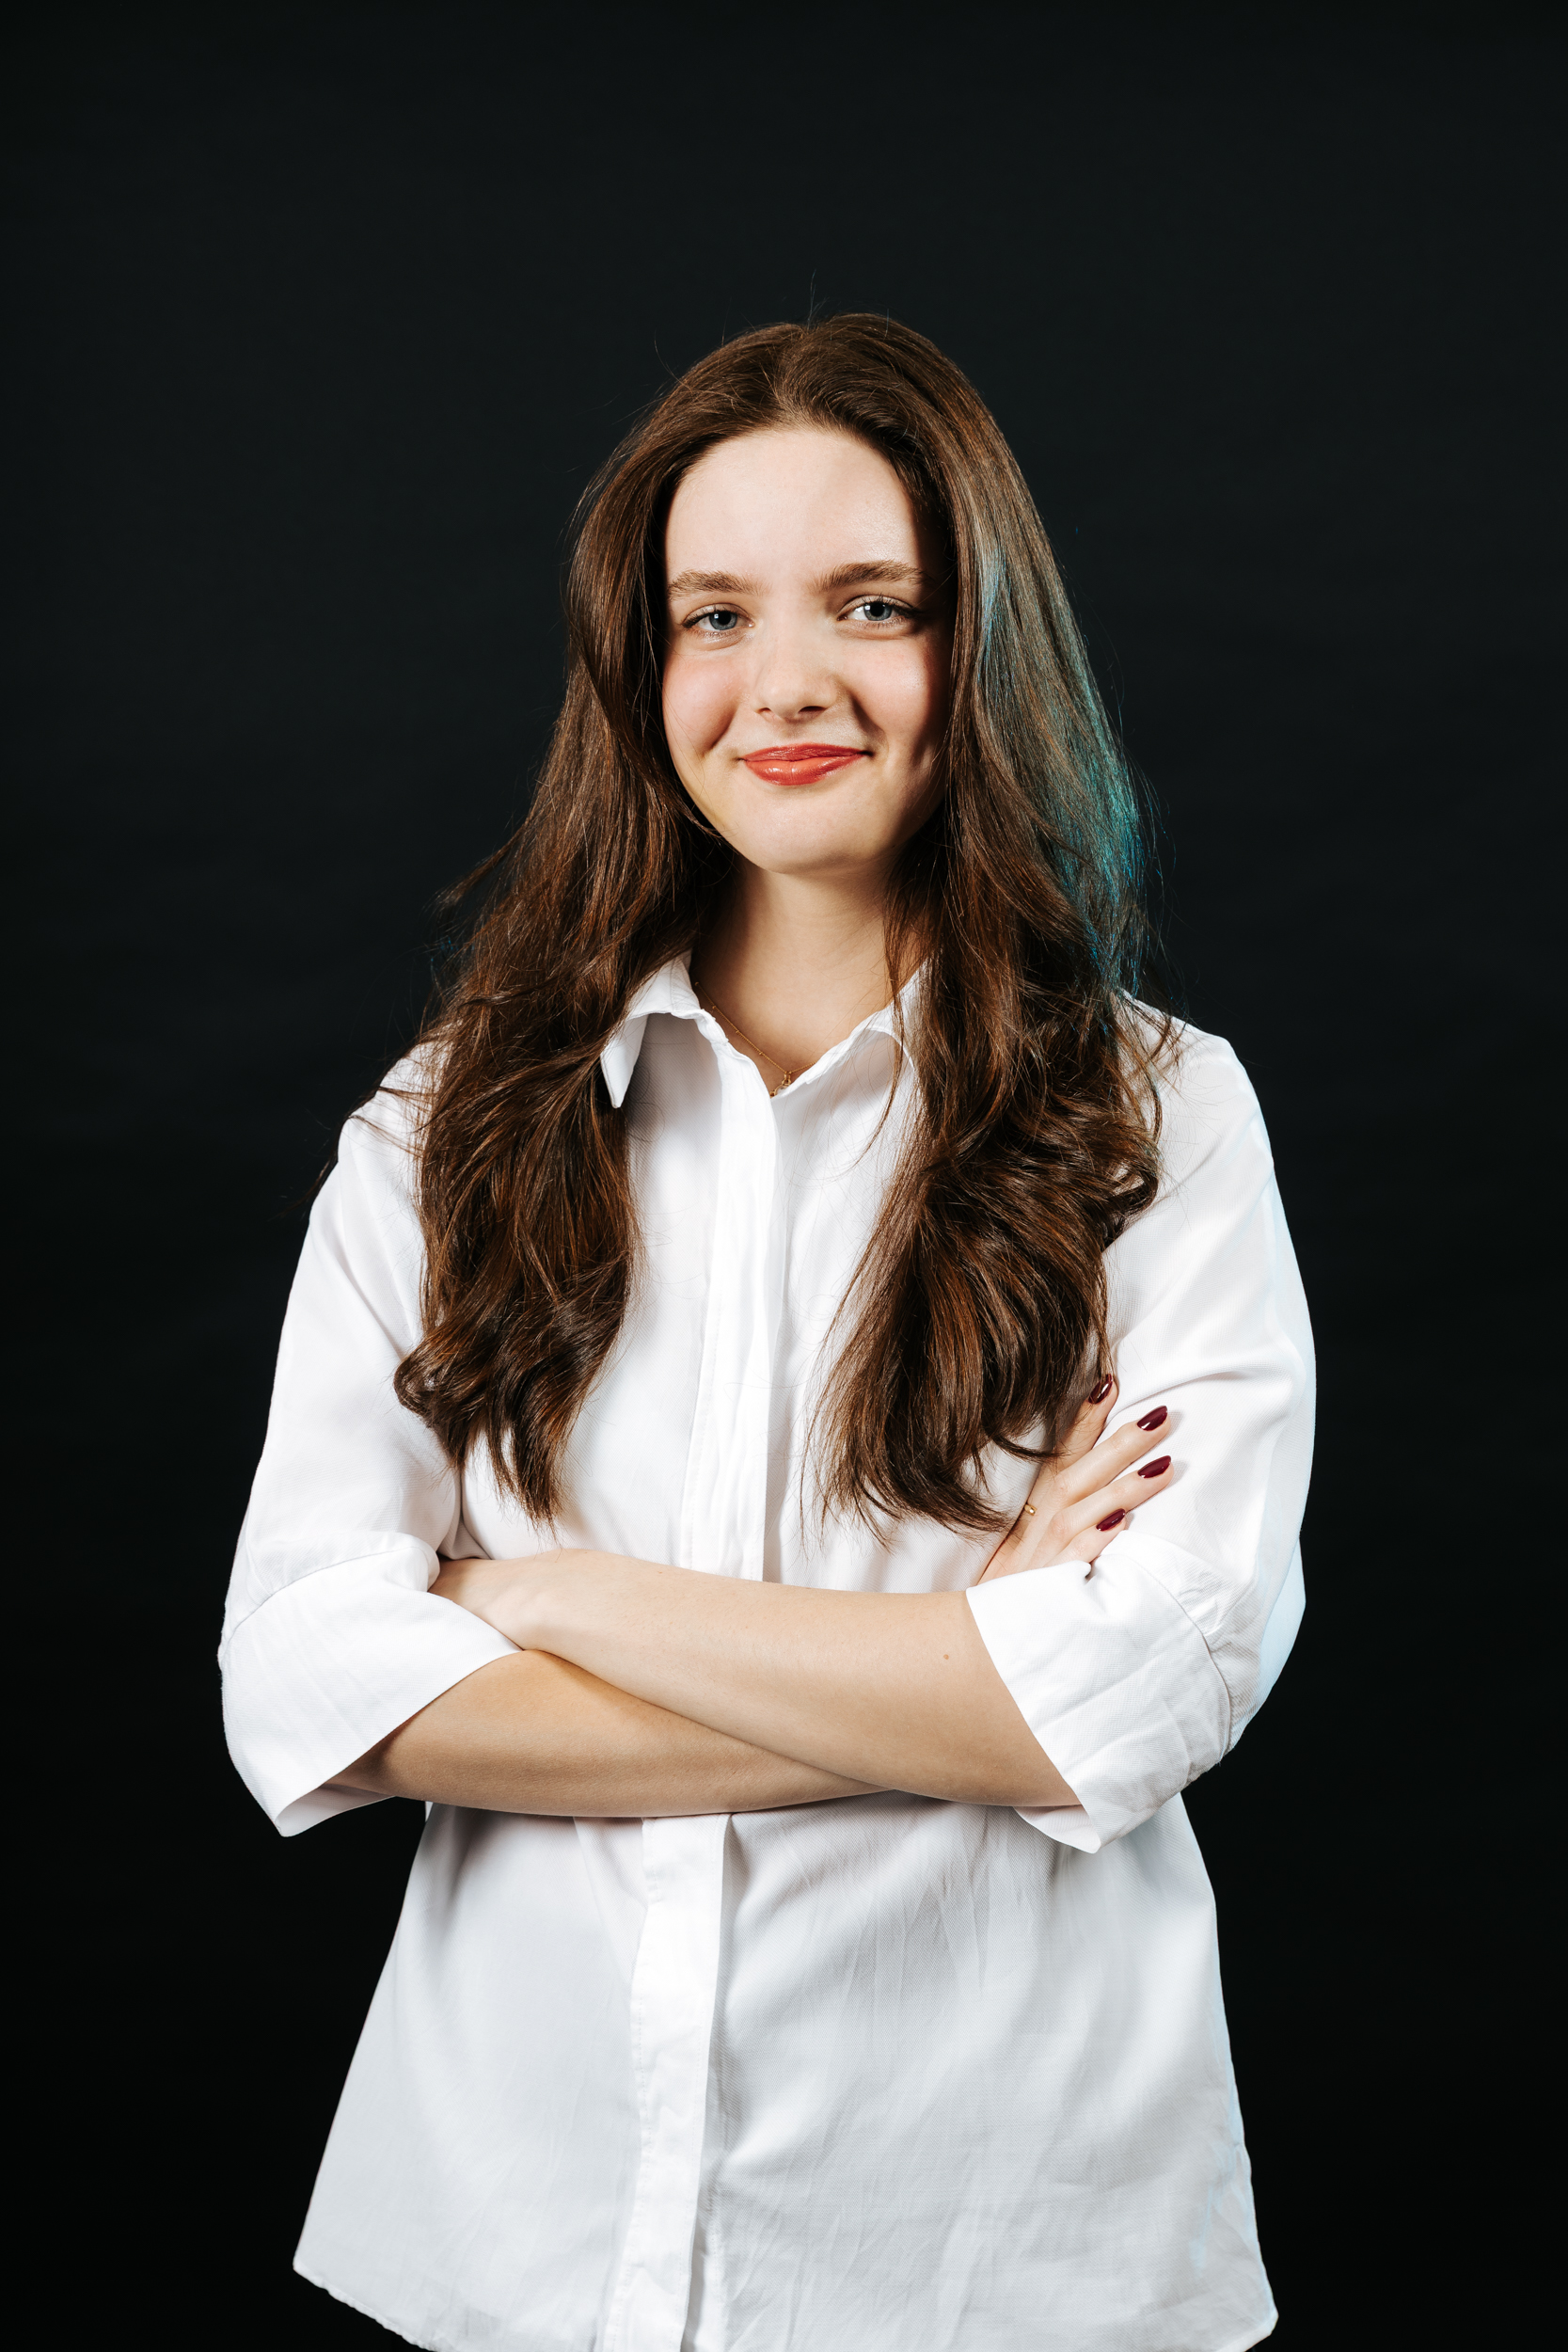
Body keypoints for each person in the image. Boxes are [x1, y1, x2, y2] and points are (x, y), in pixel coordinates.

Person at [222, 314, 1313, 2352]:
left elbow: (1140, 1692)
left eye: (871, 605)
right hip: (509, 2247)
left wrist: (541, 1597)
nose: (785, 680)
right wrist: (957, 1664)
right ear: (640, 671)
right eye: (713, 614)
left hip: (997, 2266)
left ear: (976, 649)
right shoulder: (450, 1126)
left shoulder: (1159, 1120)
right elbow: (302, 1677)